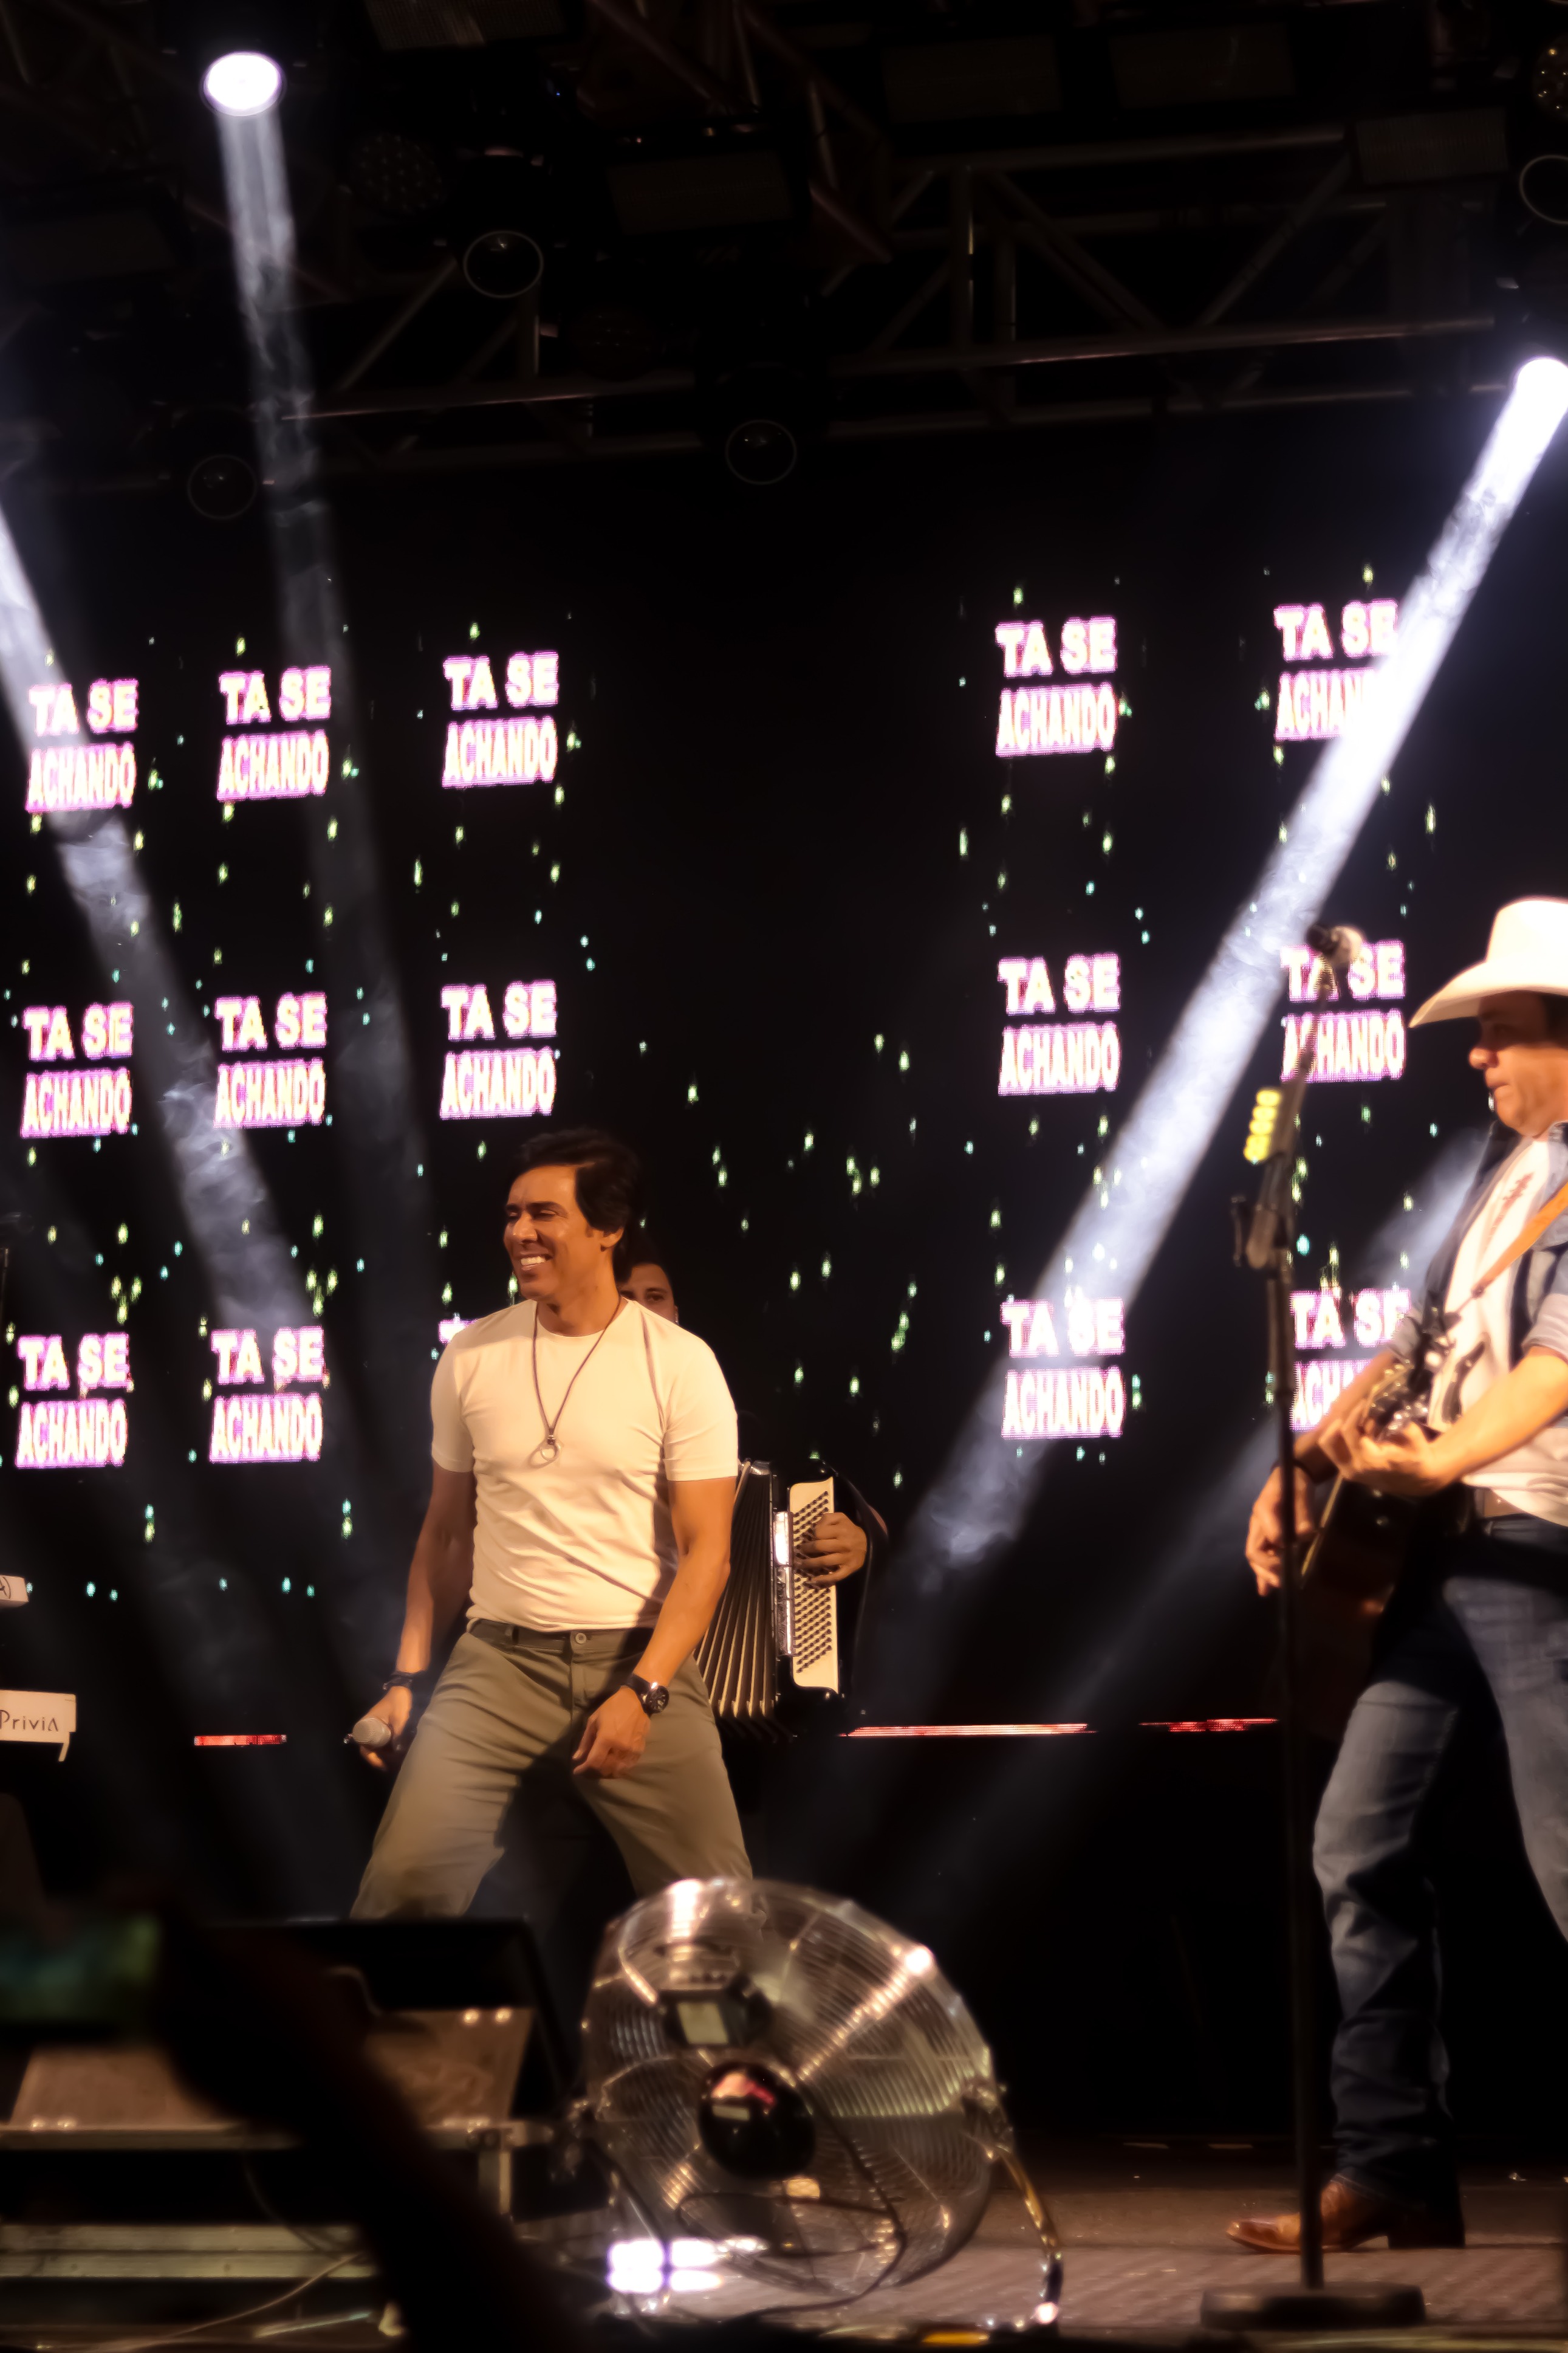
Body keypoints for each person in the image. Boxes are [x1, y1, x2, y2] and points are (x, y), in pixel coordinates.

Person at [1234, 899, 1568, 2253]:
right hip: (1436, 1560)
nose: (1477, 1056)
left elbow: (1554, 1368)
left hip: (1539, 1554)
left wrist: (1438, 1465)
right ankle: (1393, 2168)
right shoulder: (1506, 1173)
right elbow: (1421, 1345)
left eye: (1502, 1032)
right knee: (1355, 1844)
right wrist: (1306, 1463)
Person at [351, 1129, 749, 1918]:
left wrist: (645, 1692)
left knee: (718, 1922)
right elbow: (446, 1535)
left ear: (609, 1230)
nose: (520, 1233)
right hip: (496, 1665)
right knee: (399, 1897)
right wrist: (405, 1680)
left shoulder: (680, 1362)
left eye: (544, 1214)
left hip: (637, 1659)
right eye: (512, 1215)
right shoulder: (470, 1355)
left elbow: (708, 1553)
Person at [619, 1247, 886, 1589]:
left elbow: (866, 1518)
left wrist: (861, 1540)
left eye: (655, 1297)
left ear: (676, 1314)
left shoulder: (735, 1418)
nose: (642, 1311)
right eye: (627, 1298)